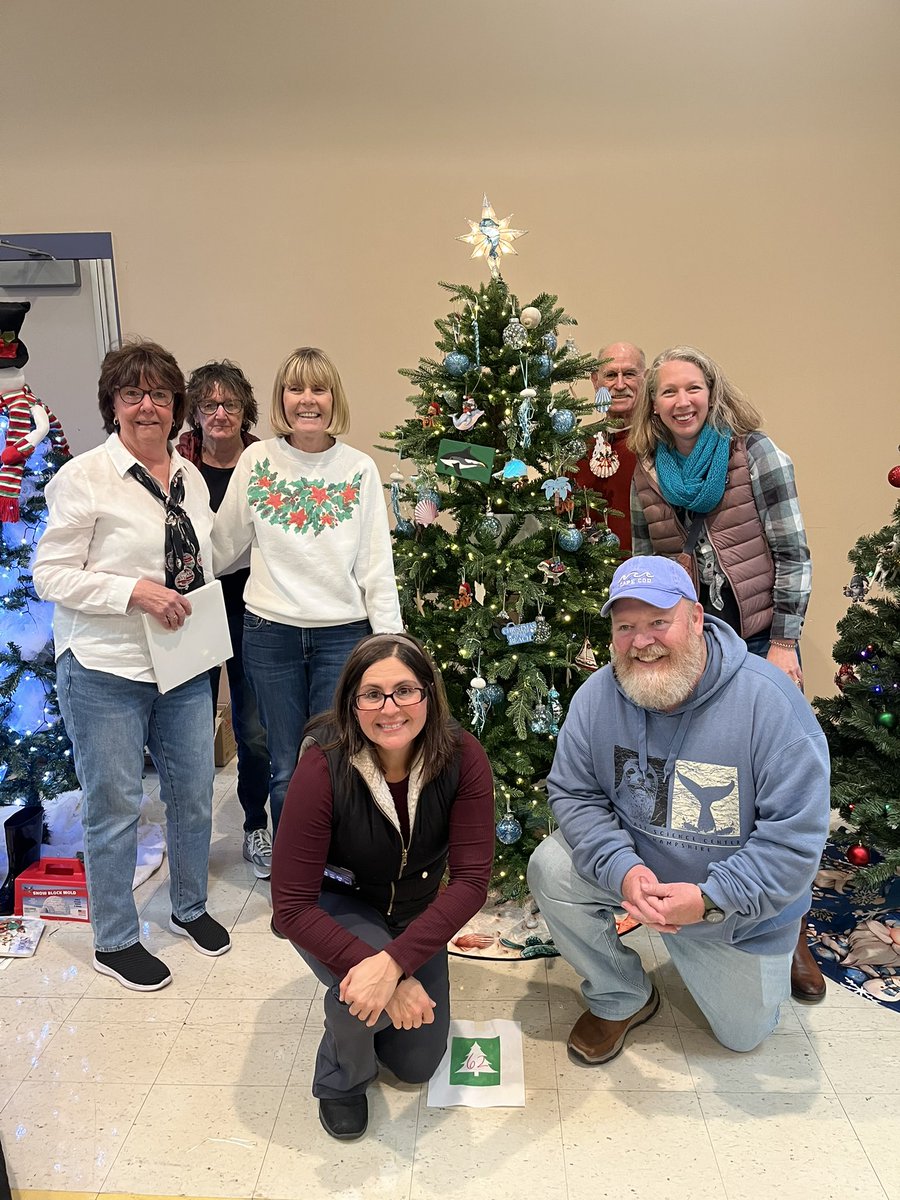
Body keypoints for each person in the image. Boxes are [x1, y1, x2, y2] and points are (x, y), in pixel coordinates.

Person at [527, 556, 830, 1064]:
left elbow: (794, 840)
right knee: (551, 867)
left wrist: (710, 901)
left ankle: (778, 939)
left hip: (730, 906)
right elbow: (576, 795)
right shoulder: (595, 698)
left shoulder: (771, 704)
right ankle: (622, 994)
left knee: (743, 1036)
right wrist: (624, 872)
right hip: (640, 872)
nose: (641, 641)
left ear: (696, 619)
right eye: (626, 627)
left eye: (658, 622)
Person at [33, 340, 231, 992]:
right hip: (104, 667)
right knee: (115, 805)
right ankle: (115, 939)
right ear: (112, 404)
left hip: (181, 667)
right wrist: (133, 591)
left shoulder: (188, 476)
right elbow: (50, 574)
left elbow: (202, 557)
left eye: (160, 395)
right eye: (132, 394)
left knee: (193, 795)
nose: (147, 406)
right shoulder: (83, 478)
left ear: (177, 407)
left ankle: (189, 906)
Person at [627, 346, 822, 999]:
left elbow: (793, 553)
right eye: (668, 392)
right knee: (709, 785)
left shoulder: (755, 454)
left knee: (774, 792)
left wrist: (786, 644)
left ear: (711, 391)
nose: (682, 401)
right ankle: (713, 914)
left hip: (763, 641)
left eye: (692, 388)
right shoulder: (648, 474)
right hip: (694, 654)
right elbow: (640, 571)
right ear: (653, 405)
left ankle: (791, 932)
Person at [272, 632, 495, 1140]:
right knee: (360, 998)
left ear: (429, 694)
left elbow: (471, 883)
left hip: (416, 912)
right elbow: (290, 907)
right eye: (372, 694)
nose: (389, 708)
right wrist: (380, 975)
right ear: (352, 703)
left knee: (417, 1063)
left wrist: (394, 965)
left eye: (405, 690)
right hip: (339, 904)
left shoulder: (463, 756)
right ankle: (340, 1079)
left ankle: (371, 998)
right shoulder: (323, 765)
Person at [213, 347, 403, 844]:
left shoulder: (358, 469)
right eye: (295, 388)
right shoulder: (258, 461)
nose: (307, 400)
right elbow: (221, 545)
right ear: (282, 399)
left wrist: (390, 644)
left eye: (318, 388)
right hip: (270, 633)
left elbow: (375, 563)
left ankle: (331, 865)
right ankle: (292, 878)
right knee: (283, 764)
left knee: (334, 758)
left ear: (333, 397)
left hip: (342, 635)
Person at [178, 361, 272, 879]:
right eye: (209, 404)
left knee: (253, 725)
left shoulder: (263, 461)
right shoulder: (176, 463)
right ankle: (188, 836)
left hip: (252, 602)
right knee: (190, 723)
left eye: (230, 404)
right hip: (193, 604)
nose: (219, 413)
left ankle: (255, 822)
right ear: (194, 411)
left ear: (244, 411)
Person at [571, 341, 646, 553]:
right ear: (596, 381)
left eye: (630, 374)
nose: (620, 385)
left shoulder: (660, 441)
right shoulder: (578, 446)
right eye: (611, 375)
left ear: (647, 377)